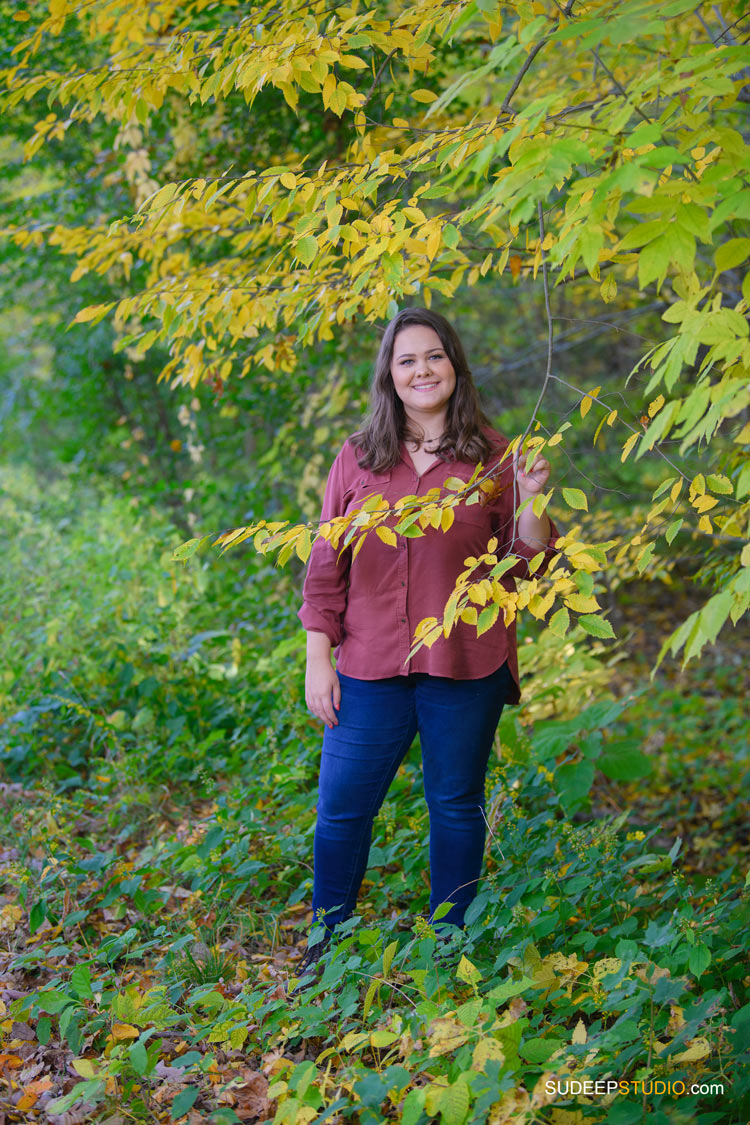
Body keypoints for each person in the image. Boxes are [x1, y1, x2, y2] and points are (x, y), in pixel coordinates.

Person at [291, 307, 561, 993]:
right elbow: (326, 567)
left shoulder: (495, 455)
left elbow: (522, 573)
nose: (422, 370)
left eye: (434, 356)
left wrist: (531, 502)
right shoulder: (356, 457)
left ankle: (453, 944)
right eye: (407, 359)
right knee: (343, 807)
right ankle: (328, 941)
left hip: (465, 665)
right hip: (368, 665)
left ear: (454, 366)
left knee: (455, 804)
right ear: (389, 372)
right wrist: (316, 654)